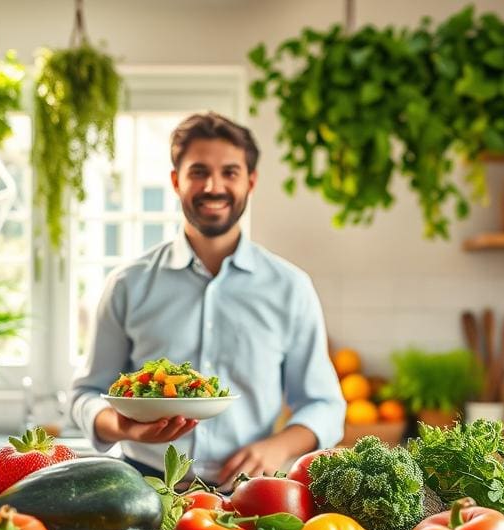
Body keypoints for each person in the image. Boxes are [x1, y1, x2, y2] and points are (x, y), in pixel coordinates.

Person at [69, 112, 345, 486]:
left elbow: (324, 405)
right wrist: (123, 427)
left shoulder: (290, 287)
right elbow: (85, 394)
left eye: (230, 172)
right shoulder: (127, 284)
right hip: (141, 484)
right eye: (198, 172)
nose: (214, 186)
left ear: (250, 181)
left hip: (251, 490)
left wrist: (277, 447)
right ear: (175, 181)